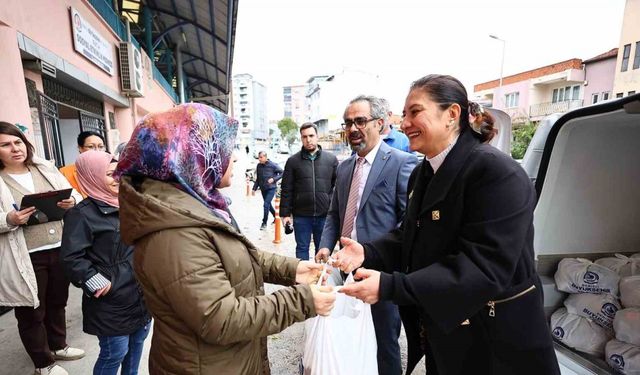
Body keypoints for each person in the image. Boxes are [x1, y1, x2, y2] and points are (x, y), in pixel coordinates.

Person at [333, 75, 561, 375]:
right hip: (447, 331)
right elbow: (410, 237)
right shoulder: (423, 172)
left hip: (496, 340)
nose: (404, 123)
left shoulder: (496, 172)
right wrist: (367, 252)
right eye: (404, 114)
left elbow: (484, 267)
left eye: (415, 112)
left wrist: (391, 286)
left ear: (452, 115)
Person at [114, 103, 335, 375]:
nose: (233, 158)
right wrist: (304, 301)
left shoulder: (197, 203)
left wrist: (294, 270)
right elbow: (222, 318)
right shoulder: (174, 232)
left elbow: (235, 254)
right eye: (224, 149)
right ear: (194, 155)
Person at [316, 95, 417, 375]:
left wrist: (376, 255)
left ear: (380, 123)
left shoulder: (402, 163)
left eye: (360, 121)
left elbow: (406, 223)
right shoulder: (345, 167)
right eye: (348, 123)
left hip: (380, 272)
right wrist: (325, 246)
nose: (353, 129)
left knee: (384, 342)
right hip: (343, 267)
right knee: (347, 334)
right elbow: (334, 214)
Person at [0, 122, 84, 375]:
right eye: (5, 145)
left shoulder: (44, 168)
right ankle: (43, 364)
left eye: (18, 142)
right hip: (24, 255)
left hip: (59, 246)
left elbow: (76, 196)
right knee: (31, 311)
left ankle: (58, 346)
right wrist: (8, 219)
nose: (15, 149)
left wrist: (72, 201)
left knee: (58, 301)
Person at [61, 151, 151, 375]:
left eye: (120, 173)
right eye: (110, 174)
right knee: (114, 353)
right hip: (110, 299)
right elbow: (72, 258)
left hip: (139, 291)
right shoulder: (81, 215)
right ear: (91, 176)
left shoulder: (129, 202)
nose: (118, 179)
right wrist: (94, 280)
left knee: (137, 343)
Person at [280, 123, 338, 260]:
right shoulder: (292, 161)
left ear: (317, 137)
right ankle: (303, 279)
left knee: (322, 250)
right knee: (301, 248)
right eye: (304, 137)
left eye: (311, 136)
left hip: (324, 215)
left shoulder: (331, 160)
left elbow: (337, 187)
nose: (308, 139)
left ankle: (319, 277)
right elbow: (287, 189)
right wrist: (285, 214)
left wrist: (332, 207)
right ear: (301, 138)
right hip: (301, 215)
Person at [59, 131, 105, 195]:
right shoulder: (65, 172)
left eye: (101, 147)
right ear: (80, 148)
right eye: (91, 146)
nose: (97, 151)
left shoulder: (112, 169)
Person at [252, 151, 283, 230]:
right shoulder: (259, 166)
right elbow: (258, 179)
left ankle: (264, 223)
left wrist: (274, 179)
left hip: (271, 188)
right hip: (263, 188)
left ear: (265, 157)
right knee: (268, 205)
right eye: (259, 157)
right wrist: (254, 189)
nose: (259, 159)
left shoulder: (272, 165)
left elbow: (282, 172)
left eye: (261, 157)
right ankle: (276, 217)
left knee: (266, 205)